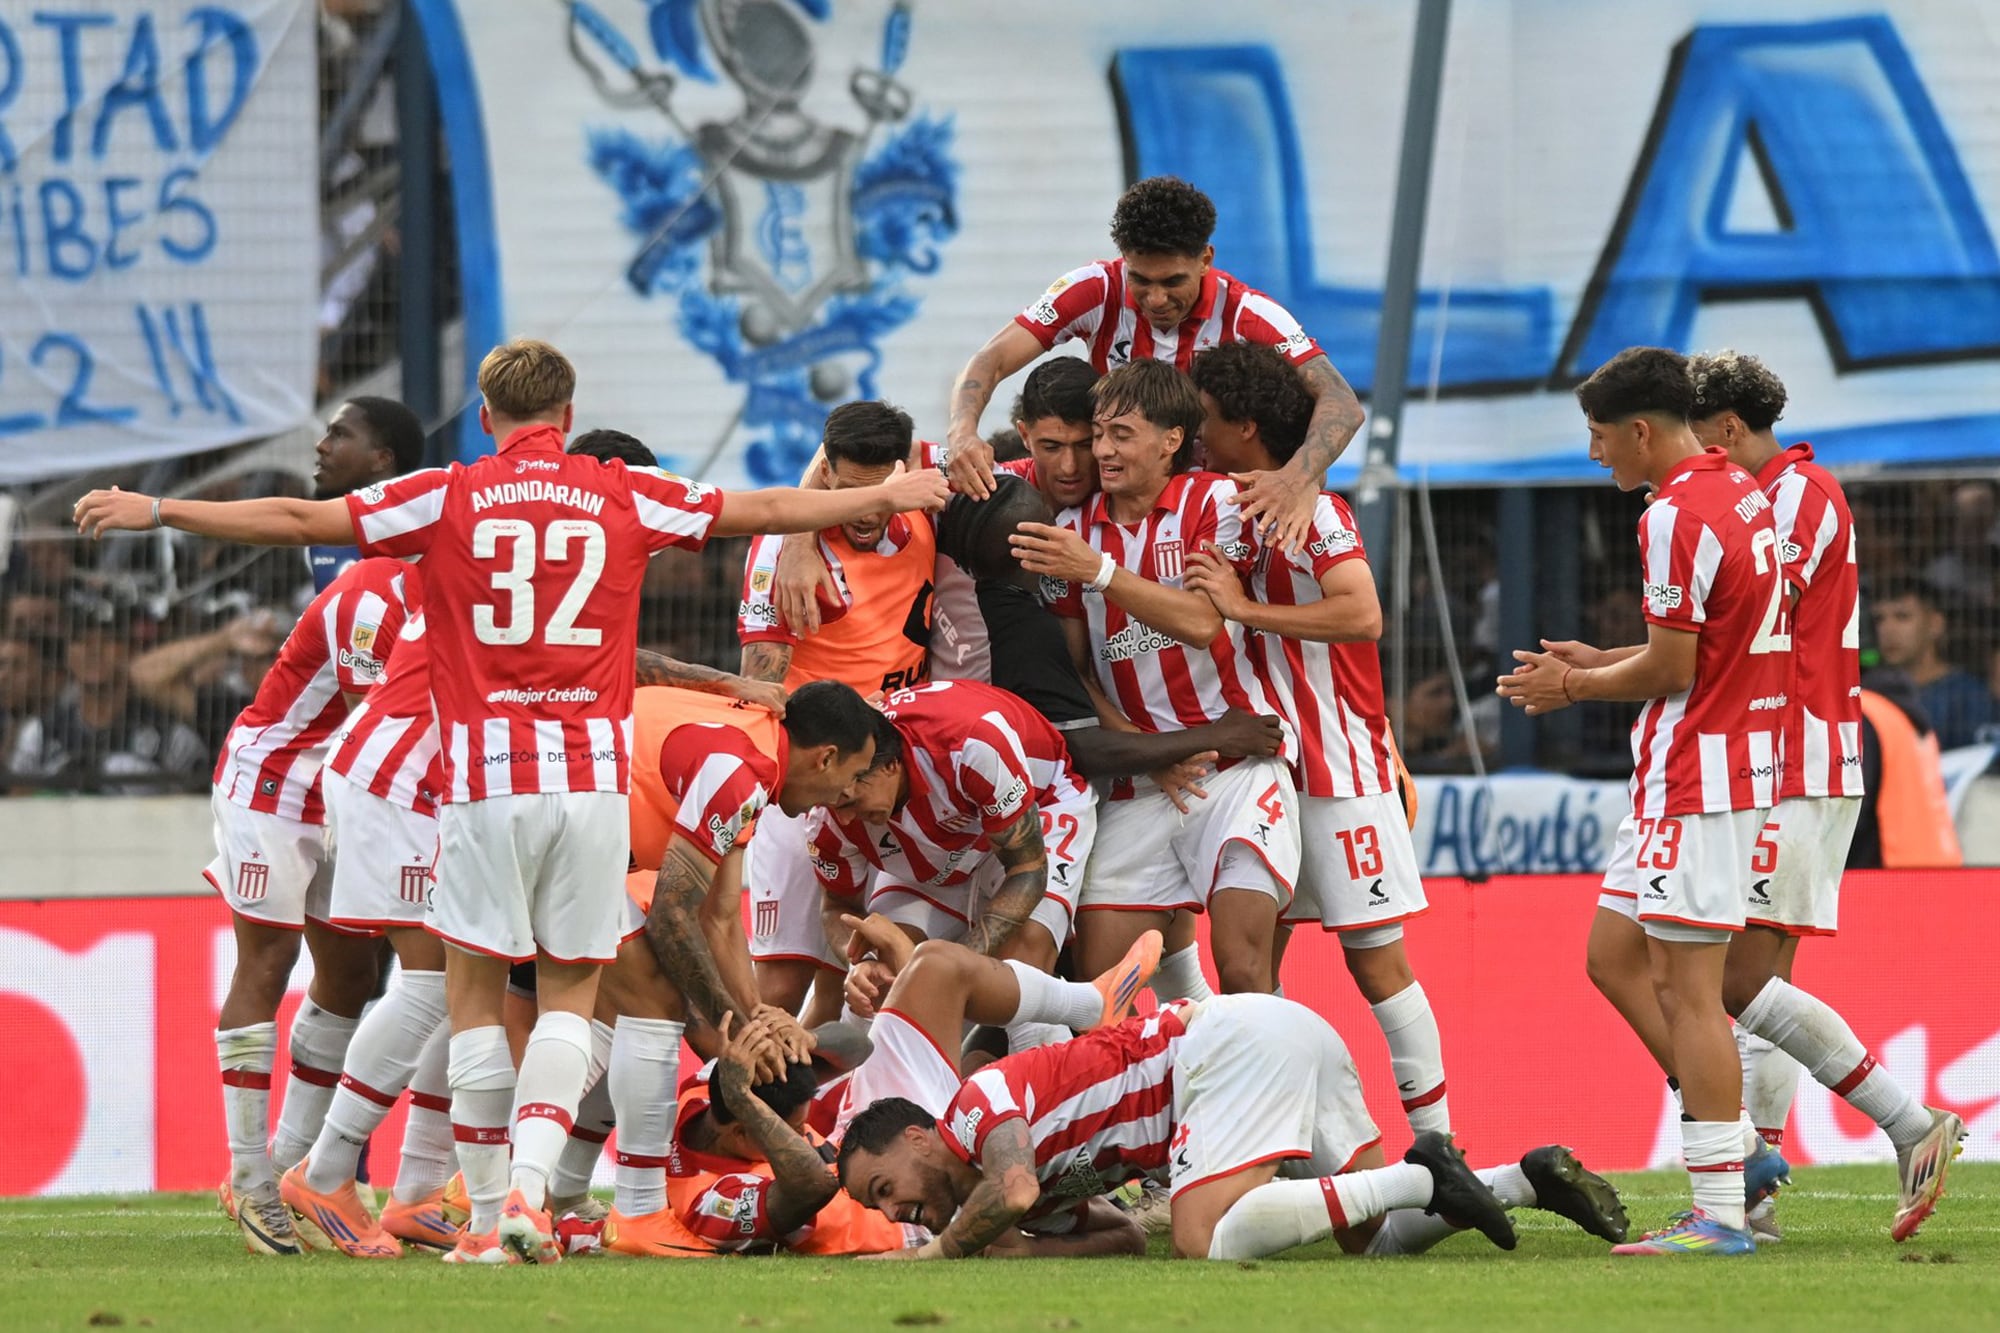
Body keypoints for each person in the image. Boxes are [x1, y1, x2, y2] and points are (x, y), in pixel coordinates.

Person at [73, 337, 950, 1266]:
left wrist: (158, 507)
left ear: (486, 417)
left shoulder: (447, 492)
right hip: (589, 784)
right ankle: (515, 1202)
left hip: (482, 782)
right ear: (569, 418)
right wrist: (881, 497)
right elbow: (761, 508)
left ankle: (476, 1212)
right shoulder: (623, 493)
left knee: (473, 999)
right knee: (572, 999)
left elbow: (298, 517)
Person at [1498, 347, 1788, 1256]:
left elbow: (1675, 667)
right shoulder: (1737, 491)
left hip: (1698, 776)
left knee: (1687, 988)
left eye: (1595, 437)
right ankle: (1739, 1146)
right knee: (1614, 953)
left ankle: (1721, 1213)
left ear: (1638, 431)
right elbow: (1705, 638)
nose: (1594, 456)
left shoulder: (1673, 513)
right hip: (1719, 760)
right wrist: (1602, 660)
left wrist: (1571, 689)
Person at [1686, 350, 1965, 1244]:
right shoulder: (1765, 495)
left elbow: (1749, 614)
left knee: (1735, 980)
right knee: (1758, 984)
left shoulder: (1799, 494)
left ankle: (1908, 1121)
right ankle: (1756, 1203)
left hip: (1795, 754)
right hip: (1775, 756)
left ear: (1727, 428)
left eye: (1701, 434)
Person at [837, 990, 1629, 1262]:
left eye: (885, 1189)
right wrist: (1026, 1245)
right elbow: (1121, 1236)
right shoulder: (1015, 1195)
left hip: (1218, 1047)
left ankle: (1425, 1171)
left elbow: (1011, 1185)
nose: (897, 1212)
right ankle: (1524, 1176)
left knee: (1201, 1237)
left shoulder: (973, 1108)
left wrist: (945, 1250)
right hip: (1286, 1035)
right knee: (1373, 1237)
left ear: (915, 1138)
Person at [1187, 342, 1452, 1139]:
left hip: (1341, 772)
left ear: (1247, 426)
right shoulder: (1214, 509)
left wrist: (1241, 607)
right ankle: (1269, 1143)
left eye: (1204, 420)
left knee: (1377, 964)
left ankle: (1442, 1146)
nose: (1193, 435)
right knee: (1249, 969)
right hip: (1260, 773)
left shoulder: (1320, 511)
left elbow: (1362, 615)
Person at [1009, 359, 1301, 997]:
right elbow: (1074, 671)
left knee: (1246, 971)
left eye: (1119, 435)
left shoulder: (1215, 501)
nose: (1101, 453)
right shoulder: (1069, 529)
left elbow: (1202, 622)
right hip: (1142, 782)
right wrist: (1152, 756)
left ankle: (1272, 1091)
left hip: (1234, 767)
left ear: (1172, 440)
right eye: (1099, 436)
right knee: (1100, 987)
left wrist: (1101, 573)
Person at [594, 680, 880, 1254]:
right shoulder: (742, 769)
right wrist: (743, 1026)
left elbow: (722, 918)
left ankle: (492, 1188)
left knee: (532, 1014)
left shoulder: (754, 754)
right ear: (825, 756)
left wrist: (757, 1016)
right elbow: (675, 914)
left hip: (539, 804)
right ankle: (637, 1211)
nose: (846, 793)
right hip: (552, 812)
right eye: (852, 775)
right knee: (651, 999)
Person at [944, 176, 1363, 549]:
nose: (1156, 299)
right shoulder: (1095, 288)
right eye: (1140, 280)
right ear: (1124, 260)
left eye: (1172, 282)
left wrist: (1298, 478)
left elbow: (1341, 402)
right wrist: (962, 432)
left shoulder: (1248, 314)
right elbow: (991, 359)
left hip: (1209, 515)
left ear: (1205, 259)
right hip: (1113, 508)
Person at [736, 401, 941, 1021]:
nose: (868, 513)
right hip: (812, 783)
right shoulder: (782, 557)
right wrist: (798, 533)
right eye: (850, 495)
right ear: (826, 477)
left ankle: (836, 1113)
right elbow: (758, 690)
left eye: (882, 495)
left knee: (859, 991)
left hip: (890, 776)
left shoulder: (923, 472)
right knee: (776, 995)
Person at [807, 680, 1093, 1009]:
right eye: (832, 803)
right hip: (946, 845)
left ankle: (1087, 1008)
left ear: (890, 765)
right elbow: (835, 907)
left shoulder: (973, 744)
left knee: (1021, 963)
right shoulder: (825, 817)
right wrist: (860, 962)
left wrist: (948, 967)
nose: (844, 819)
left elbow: (1027, 869)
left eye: (849, 801)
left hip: (1039, 805)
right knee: (886, 980)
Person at [7, 605, 208, 796]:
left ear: (132, 651)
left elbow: (200, 815)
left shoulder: (173, 738)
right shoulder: (39, 734)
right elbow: (17, 811)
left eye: (107, 640)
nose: (93, 650)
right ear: (67, 655)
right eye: (81, 641)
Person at [306, 397, 429, 593]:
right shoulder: (320, 539)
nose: (321, 445)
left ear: (382, 459)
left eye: (339, 434)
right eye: (327, 432)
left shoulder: (425, 539)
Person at [1869, 578, 1994, 750]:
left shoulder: (1968, 695)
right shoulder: (1871, 694)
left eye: (1902, 617)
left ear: (1935, 624)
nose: (1887, 629)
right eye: (1879, 619)